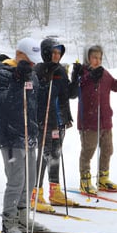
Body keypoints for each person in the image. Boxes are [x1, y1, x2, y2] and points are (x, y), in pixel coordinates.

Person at [0, 37, 51, 233]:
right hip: (11, 135)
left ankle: (23, 217)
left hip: (29, 134)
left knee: (31, 179)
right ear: (18, 55)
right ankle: (9, 223)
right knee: (16, 180)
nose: (33, 65)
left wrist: (47, 79)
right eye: (30, 60)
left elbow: (34, 102)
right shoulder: (2, 72)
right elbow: (5, 103)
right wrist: (18, 79)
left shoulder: (31, 74)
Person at [71, 45, 117, 194]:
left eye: (99, 58)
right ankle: (85, 181)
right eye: (94, 57)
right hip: (89, 122)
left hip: (105, 120)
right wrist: (89, 77)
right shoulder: (82, 74)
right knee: (88, 151)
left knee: (108, 150)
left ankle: (103, 178)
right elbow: (77, 88)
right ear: (88, 58)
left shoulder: (104, 74)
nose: (97, 60)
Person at [30, 37, 77, 210]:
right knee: (43, 156)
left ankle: (55, 190)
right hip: (44, 121)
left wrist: (76, 77)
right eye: (54, 52)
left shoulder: (61, 71)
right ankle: (35, 193)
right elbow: (37, 96)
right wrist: (46, 81)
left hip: (60, 121)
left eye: (59, 52)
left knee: (56, 155)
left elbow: (70, 94)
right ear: (46, 53)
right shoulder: (38, 69)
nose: (57, 55)